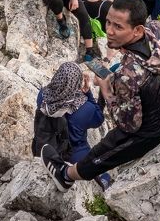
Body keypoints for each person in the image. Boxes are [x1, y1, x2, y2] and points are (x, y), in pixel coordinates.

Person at [40, 0, 160, 191]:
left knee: (109, 148)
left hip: (152, 129)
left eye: (118, 27)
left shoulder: (129, 75)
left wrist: (106, 88)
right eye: (108, 22)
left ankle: (65, 176)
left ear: (137, 30)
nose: (108, 31)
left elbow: (128, 125)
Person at [33, 62, 111, 190]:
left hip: (47, 148)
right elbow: (99, 119)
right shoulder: (86, 108)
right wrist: (88, 93)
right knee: (105, 177)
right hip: (76, 156)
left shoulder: (43, 95)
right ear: (77, 82)